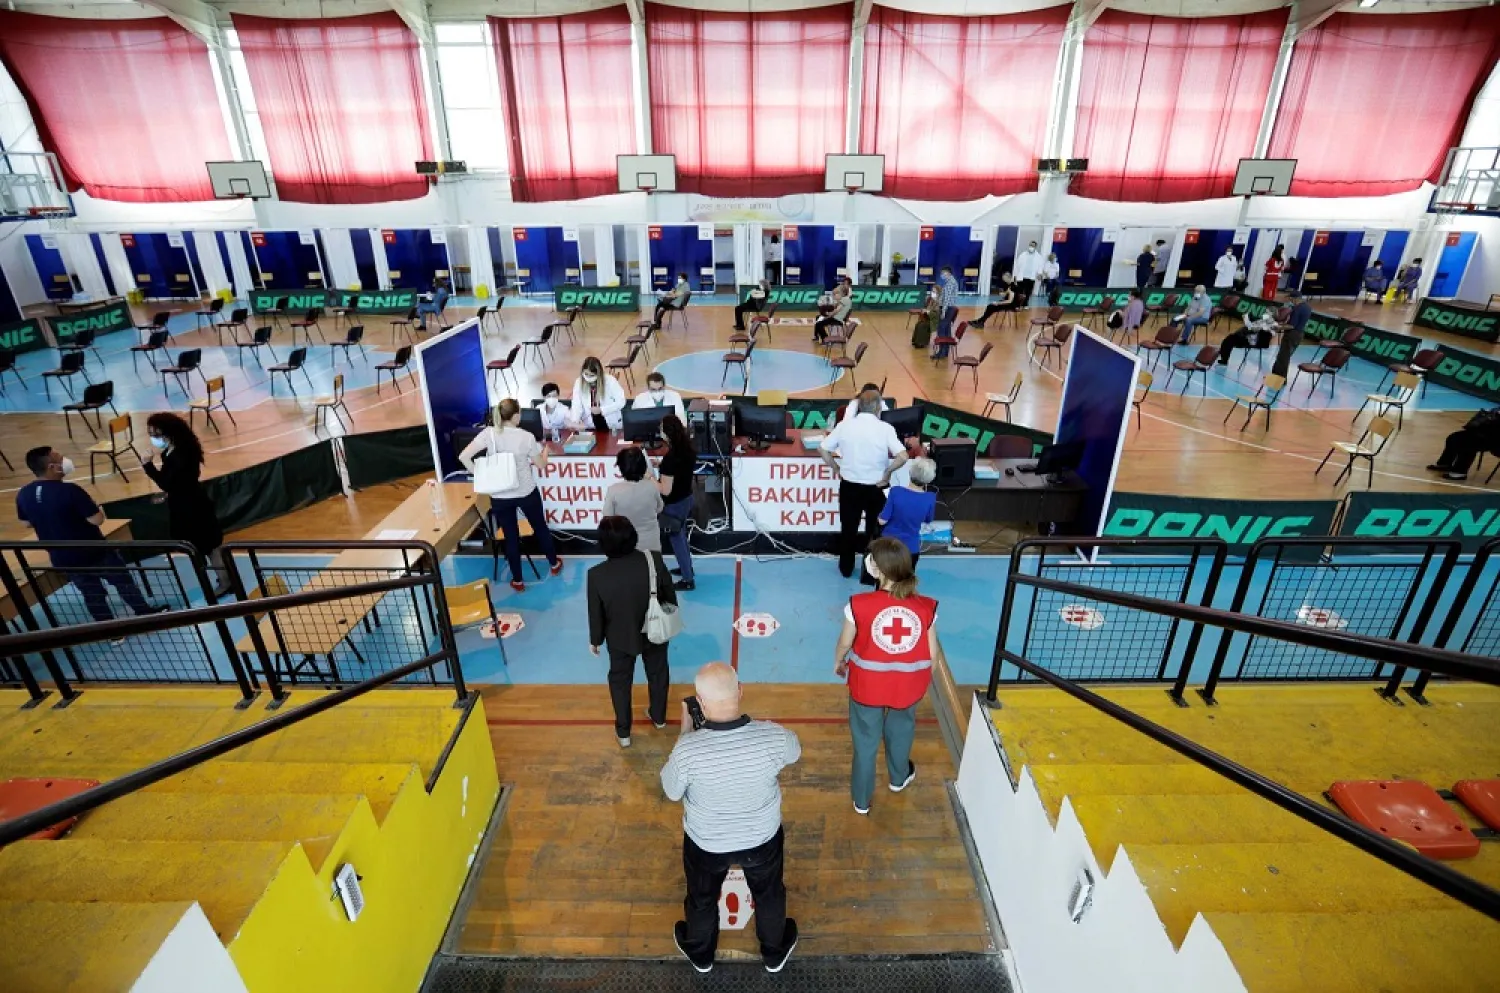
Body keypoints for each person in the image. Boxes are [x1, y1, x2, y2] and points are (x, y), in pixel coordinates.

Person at [661, 662, 800, 974]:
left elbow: (671, 791)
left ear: (700, 700)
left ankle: (701, 954)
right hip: (761, 839)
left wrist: (685, 736)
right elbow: (794, 751)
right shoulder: (772, 737)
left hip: (707, 844)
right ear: (740, 691)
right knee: (769, 893)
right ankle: (774, 952)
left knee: (702, 898)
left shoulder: (687, 751)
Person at [833, 538, 944, 815]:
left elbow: (845, 643)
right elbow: (933, 655)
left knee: (865, 742)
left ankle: (861, 800)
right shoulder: (926, 607)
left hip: (866, 687)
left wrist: (839, 661)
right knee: (901, 731)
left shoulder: (858, 604)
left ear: (875, 568)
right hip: (907, 688)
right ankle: (898, 778)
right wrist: (918, 682)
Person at [17, 447, 167, 626]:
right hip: (94, 553)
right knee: (123, 581)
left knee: (92, 593)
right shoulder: (70, 491)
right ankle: (143, 613)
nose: (65, 461)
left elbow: (26, 523)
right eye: (61, 458)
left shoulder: (23, 494)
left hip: (62, 558)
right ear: (52, 467)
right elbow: (97, 520)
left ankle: (107, 630)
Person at [588, 516, 677, 746]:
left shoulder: (596, 575)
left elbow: (595, 613)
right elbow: (670, 599)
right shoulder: (654, 560)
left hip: (619, 638)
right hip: (655, 629)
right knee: (658, 672)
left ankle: (624, 732)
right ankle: (658, 718)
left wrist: (595, 639)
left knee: (620, 681)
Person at [460, 399, 564, 592]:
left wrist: (482, 475)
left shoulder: (488, 434)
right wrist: (546, 453)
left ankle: (517, 580)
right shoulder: (526, 437)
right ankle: (554, 563)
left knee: (511, 536)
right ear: (516, 415)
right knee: (540, 527)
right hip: (526, 491)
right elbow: (540, 465)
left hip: (500, 495)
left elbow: (463, 457)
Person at [819, 389, 909, 580]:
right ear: (877, 407)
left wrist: (836, 468)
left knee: (848, 529)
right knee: (874, 531)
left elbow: (823, 449)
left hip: (849, 486)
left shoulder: (845, 426)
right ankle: (871, 573)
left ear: (859, 406)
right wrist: (887, 473)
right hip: (876, 488)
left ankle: (846, 569)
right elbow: (903, 456)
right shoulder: (885, 428)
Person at [141, 413, 227, 596]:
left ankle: (225, 581)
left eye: (156, 434)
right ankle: (218, 578)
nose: (154, 438)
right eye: (151, 434)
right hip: (184, 503)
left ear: (169, 431)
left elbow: (166, 482)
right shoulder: (173, 449)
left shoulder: (181, 454)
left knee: (209, 546)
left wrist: (148, 466)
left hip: (192, 508)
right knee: (201, 546)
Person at [656, 414, 697, 591]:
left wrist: (649, 477)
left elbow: (665, 490)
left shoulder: (670, 459)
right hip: (687, 498)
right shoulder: (687, 449)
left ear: (665, 434)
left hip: (674, 505)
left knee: (677, 540)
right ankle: (686, 568)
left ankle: (688, 580)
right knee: (682, 538)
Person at [877, 458, 936, 570]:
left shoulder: (895, 491)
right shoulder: (930, 498)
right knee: (906, 582)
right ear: (929, 479)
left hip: (889, 545)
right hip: (911, 548)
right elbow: (928, 519)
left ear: (910, 472)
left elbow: (882, 520)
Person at [603, 446, 663, 553]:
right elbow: (659, 508)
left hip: (625, 545)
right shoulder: (652, 486)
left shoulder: (613, 491)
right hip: (652, 544)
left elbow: (607, 517)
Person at [1428, 408, 1500, 480]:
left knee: (1469, 443)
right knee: (1454, 437)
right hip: (1486, 435)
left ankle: (1459, 472)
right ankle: (1445, 464)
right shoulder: (1497, 409)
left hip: (1495, 441)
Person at [571, 356, 626, 432]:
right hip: (590, 425)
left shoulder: (610, 381)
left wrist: (602, 410)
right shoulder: (579, 382)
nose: (588, 377)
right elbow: (576, 404)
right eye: (586, 374)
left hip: (611, 423)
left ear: (598, 373)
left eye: (592, 375)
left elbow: (621, 402)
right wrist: (575, 421)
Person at [1272, 291, 1311, 378]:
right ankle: (1275, 375)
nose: (1290, 301)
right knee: (1284, 356)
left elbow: (1291, 325)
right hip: (1299, 335)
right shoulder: (1307, 307)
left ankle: (1279, 379)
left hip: (1291, 336)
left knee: (1283, 358)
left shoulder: (1297, 309)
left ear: (1295, 299)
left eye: (1291, 299)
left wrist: (1278, 327)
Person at [814, 276, 855, 344]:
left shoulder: (845, 299)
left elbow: (836, 311)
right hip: (836, 316)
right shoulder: (844, 299)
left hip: (837, 319)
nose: (835, 295)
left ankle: (826, 339)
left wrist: (828, 315)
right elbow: (837, 308)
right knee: (819, 319)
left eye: (837, 294)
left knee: (819, 323)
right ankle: (819, 337)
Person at [933, 266, 960, 358]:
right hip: (948, 308)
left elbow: (947, 299)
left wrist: (943, 311)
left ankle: (941, 352)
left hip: (947, 308)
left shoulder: (950, 283)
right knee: (946, 330)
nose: (941, 275)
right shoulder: (949, 282)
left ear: (948, 273)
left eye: (943, 273)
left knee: (942, 330)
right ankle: (944, 352)